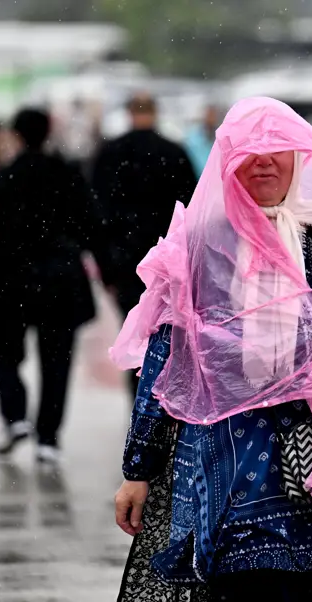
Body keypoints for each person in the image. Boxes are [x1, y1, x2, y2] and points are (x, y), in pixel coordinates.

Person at [112, 98, 312, 601]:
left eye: (277, 149)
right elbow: (164, 363)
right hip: (230, 480)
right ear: (226, 163)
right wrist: (138, 471)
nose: (263, 162)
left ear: (300, 156)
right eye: (247, 152)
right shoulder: (199, 248)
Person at [0, 108, 114, 465]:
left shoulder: (2, 180)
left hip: (11, 281)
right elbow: (92, 225)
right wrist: (109, 272)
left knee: (5, 353)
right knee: (57, 361)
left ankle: (14, 416)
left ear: (15, 134)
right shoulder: (68, 177)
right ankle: (49, 437)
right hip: (60, 280)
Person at [90, 92, 198, 399]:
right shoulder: (175, 152)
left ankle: (138, 395)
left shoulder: (110, 154)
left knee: (135, 329)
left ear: (128, 112)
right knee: (166, 331)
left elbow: (98, 214)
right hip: (167, 259)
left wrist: (106, 266)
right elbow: (190, 209)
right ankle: (162, 397)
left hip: (125, 260)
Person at [184, 103, 221, 178]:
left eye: (213, 116)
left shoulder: (221, 136)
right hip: (199, 178)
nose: (211, 119)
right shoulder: (193, 138)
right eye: (209, 115)